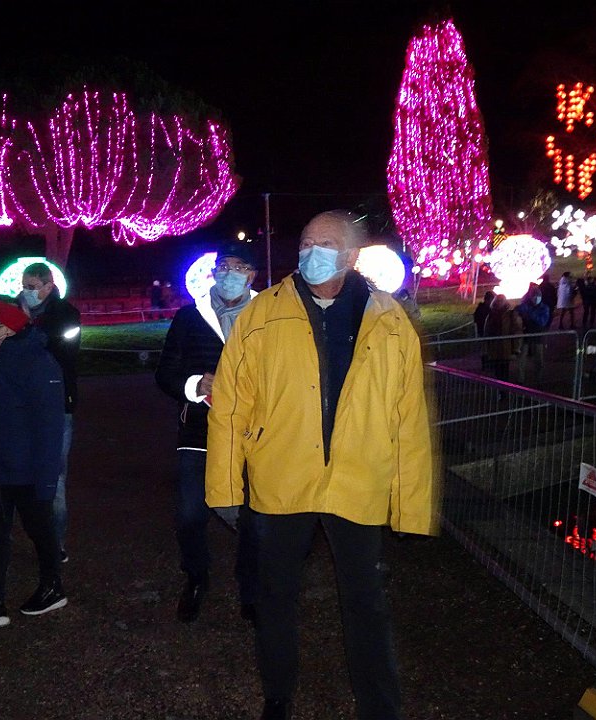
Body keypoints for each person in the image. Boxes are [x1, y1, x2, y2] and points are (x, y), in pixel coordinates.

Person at [205, 210, 437, 720]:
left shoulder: (389, 320)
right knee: (275, 595)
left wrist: (410, 505)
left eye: (326, 243)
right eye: (307, 242)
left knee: (366, 602)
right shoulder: (261, 315)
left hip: (357, 482)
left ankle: (379, 705)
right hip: (281, 480)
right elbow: (231, 407)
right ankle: (277, 693)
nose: (312, 252)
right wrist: (224, 489)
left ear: (351, 255)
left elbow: (409, 418)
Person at [155, 241, 260, 624]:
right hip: (198, 431)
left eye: (239, 267)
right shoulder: (189, 317)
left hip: (253, 433)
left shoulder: (267, 316)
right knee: (190, 514)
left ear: (252, 275)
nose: (230, 273)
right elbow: (165, 373)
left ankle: (251, 586)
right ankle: (196, 577)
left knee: (251, 515)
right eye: (224, 265)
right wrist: (195, 385)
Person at [0, 296, 66, 631]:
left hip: (26, 468)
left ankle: (52, 586)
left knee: (40, 529)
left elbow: (49, 424)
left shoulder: (36, 361)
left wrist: (46, 478)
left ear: (8, 327)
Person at [18, 262, 81, 564]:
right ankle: (35, 534)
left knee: (54, 477)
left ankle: (55, 543)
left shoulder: (66, 314)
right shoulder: (17, 311)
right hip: (22, 406)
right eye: (24, 286)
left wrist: (25, 329)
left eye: (32, 287)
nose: (26, 292)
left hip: (57, 406)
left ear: (48, 286)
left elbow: (62, 354)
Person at [515, 285, 550, 385]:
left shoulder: (544, 308)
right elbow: (518, 309)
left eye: (537, 296)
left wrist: (530, 314)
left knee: (539, 359)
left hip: (538, 336)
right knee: (522, 359)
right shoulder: (527, 306)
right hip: (526, 335)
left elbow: (542, 322)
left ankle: (539, 379)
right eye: (533, 296)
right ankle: (520, 379)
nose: (535, 298)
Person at [483, 294, 520, 381]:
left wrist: (516, 347)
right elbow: (486, 331)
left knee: (505, 370)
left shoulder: (510, 315)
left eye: (501, 301)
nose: (499, 303)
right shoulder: (491, 316)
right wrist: (486, 348)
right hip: (495, 348)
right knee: (497, 371)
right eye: (498, 301)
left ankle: (504, 387)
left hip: (505, 348)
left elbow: (515, 330)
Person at [472, 290, 495, 370]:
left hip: (486, 332)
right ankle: (486, 365)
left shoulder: (481, 308)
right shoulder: (484, 309)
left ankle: (487, 365)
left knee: (487, 349)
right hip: (484, 332)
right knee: (485, 349)